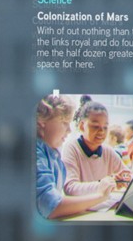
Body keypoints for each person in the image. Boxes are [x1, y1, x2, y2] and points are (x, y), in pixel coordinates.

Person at [33, 92, 113, 220]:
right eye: (64, 122)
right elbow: (50, 206)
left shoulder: (52, 153)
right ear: (41, 120)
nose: (69, 130)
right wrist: (100, 196)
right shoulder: (36, 153)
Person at [60, 99, 132, 208]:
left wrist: (125, 179)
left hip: (102, 208)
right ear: (81, 126)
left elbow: (128, 173)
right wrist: (102, 185)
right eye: (95, 126)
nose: (101, 132)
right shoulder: (71, 148)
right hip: (81, 211)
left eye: (105, 127)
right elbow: (70, 188)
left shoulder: (108, 151)